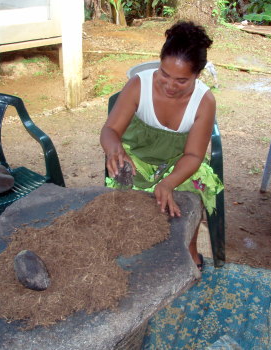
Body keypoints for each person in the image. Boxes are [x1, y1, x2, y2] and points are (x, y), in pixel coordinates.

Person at [100, 21, 223, 270]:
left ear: (197, 75)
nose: (169, 85)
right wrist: (115, 149)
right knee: (125, 182)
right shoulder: (139, 85)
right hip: (140, 159)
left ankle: (188, 247)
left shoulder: (204, 101)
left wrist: (168, 183)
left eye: (181, 80)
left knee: (192, 187)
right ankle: (136, 247)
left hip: (180, 163)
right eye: (164, 74)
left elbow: (193, 155)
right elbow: (110, 130)